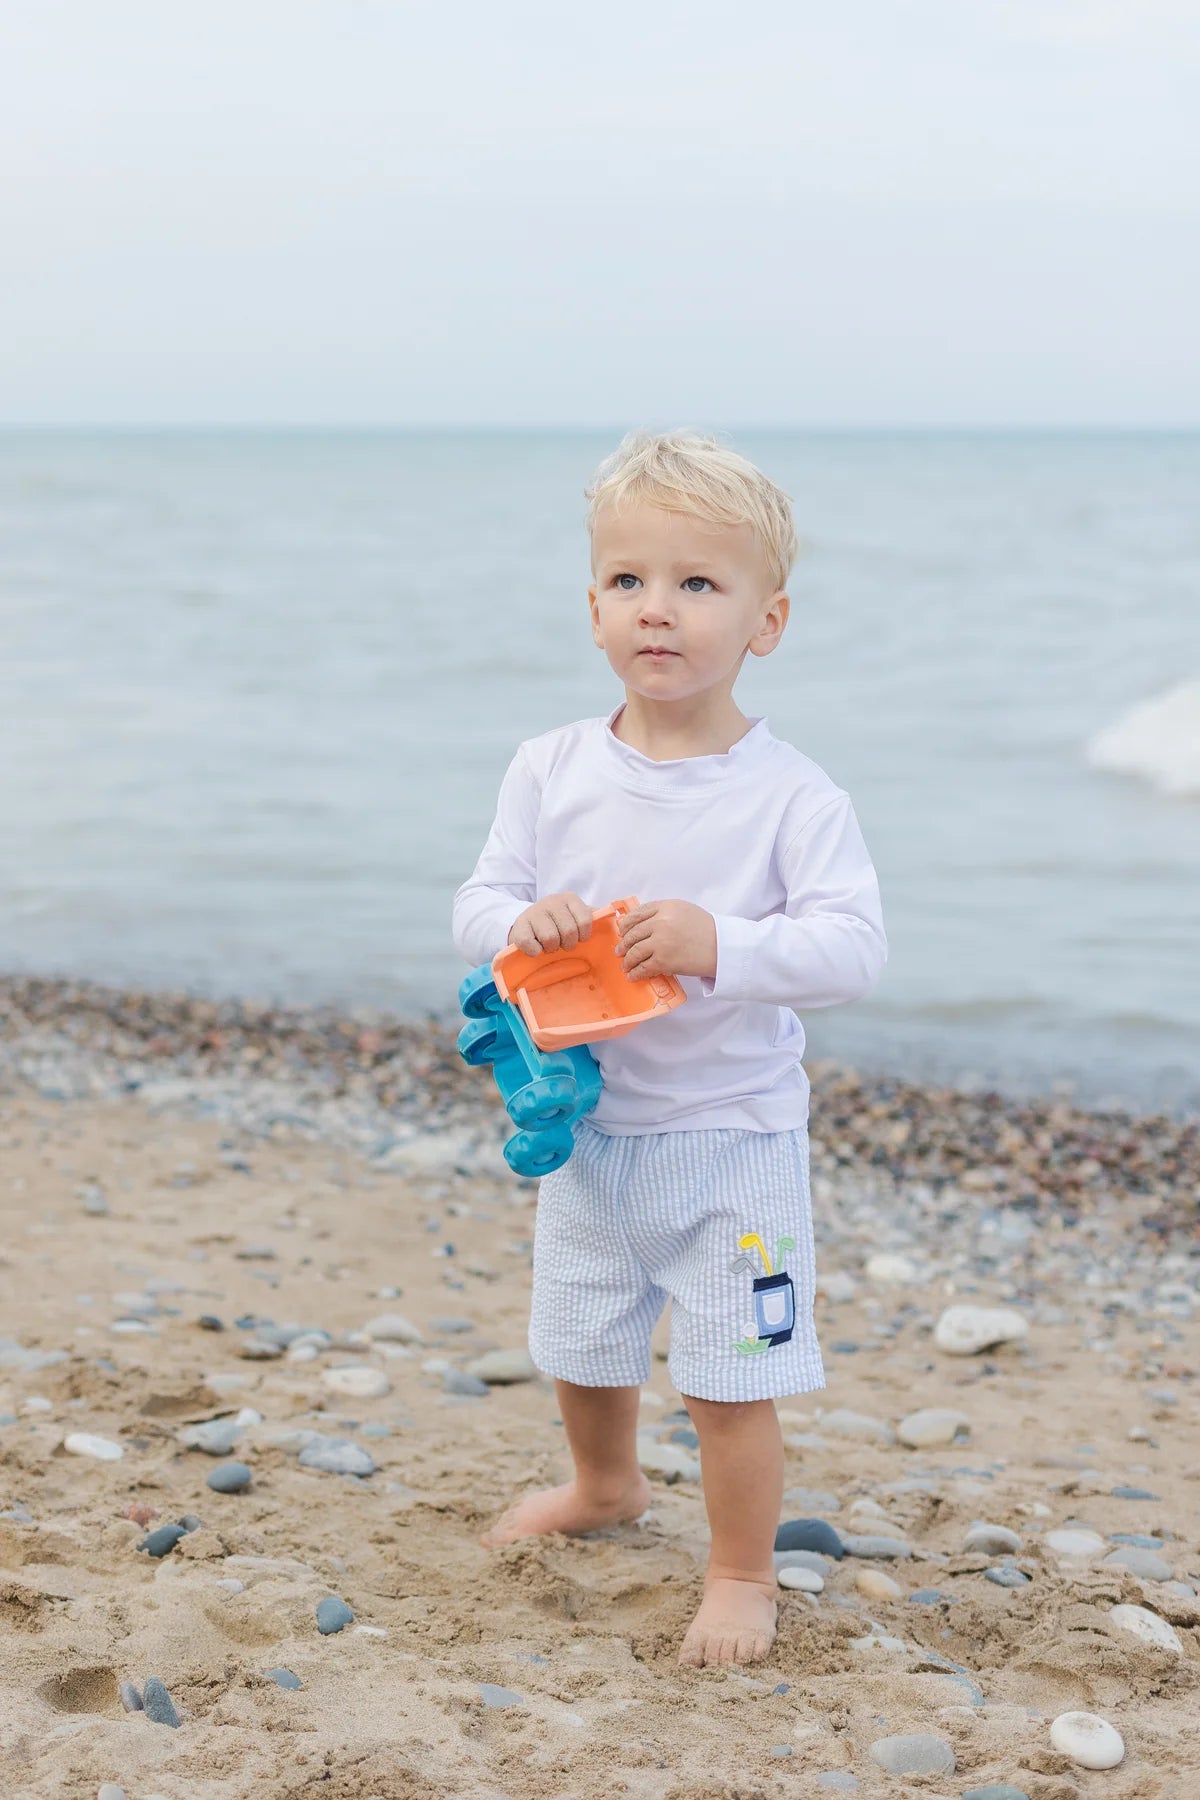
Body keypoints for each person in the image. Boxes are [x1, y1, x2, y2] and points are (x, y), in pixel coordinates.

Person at [451, 429, 887, 1667]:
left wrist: (718, 942)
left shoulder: (795, 797)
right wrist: (514, 924)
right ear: (593, 608)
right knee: (579, 1339)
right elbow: (479, 901)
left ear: (768, 619)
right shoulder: (550, 768)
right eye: (632, 581)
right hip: (593, 1127)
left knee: (729, 1376)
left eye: (700, 584)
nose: (661, 610)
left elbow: (852, 950)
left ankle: (742, 1570)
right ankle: (604, 1486)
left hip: (733, 1137)